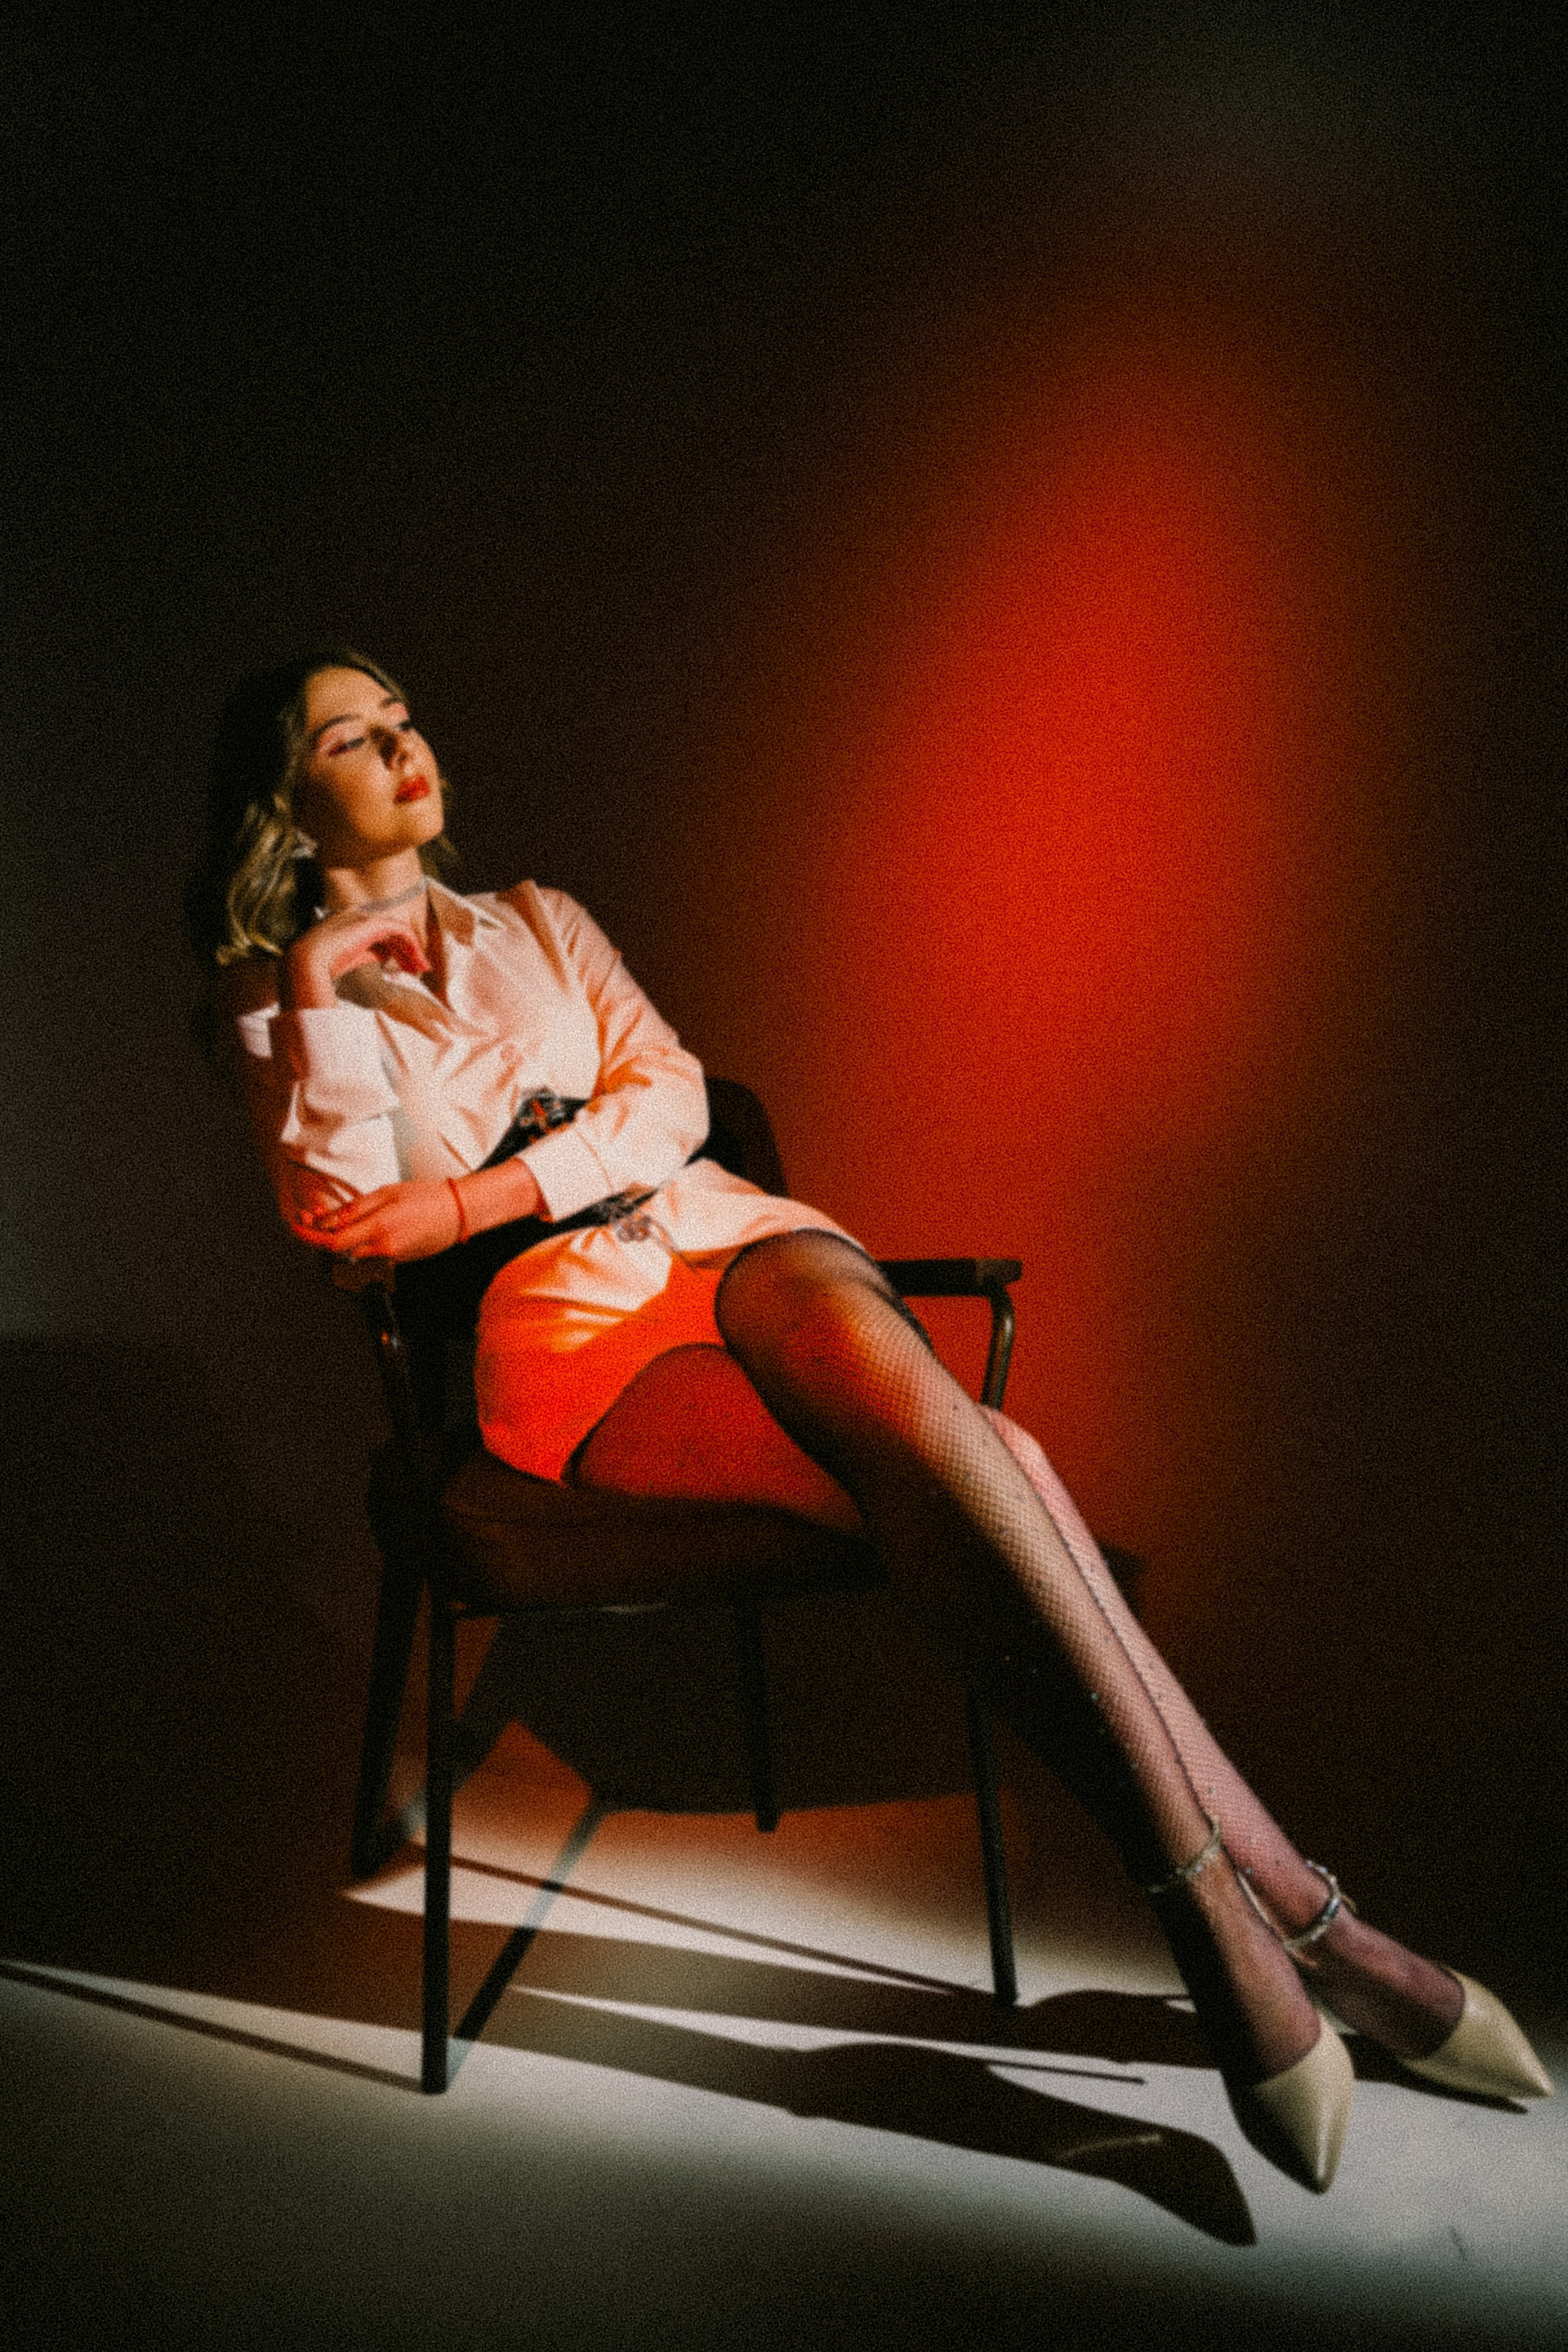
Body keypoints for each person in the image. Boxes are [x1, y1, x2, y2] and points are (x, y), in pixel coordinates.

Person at [194, 649, 1552, 2193]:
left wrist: (472, 1197)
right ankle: (1304, 1923)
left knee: (879, 1363)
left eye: (401, 717)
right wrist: (319, 987)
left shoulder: (541, 919)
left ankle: (1233, 1921)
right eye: (350, 739)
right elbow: (348, 1226)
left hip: (725, 1230)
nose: (401, 746)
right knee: (999, 1464)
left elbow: (674, 1099)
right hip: (568, 1328)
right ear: (287, 802)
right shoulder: (278, 996)